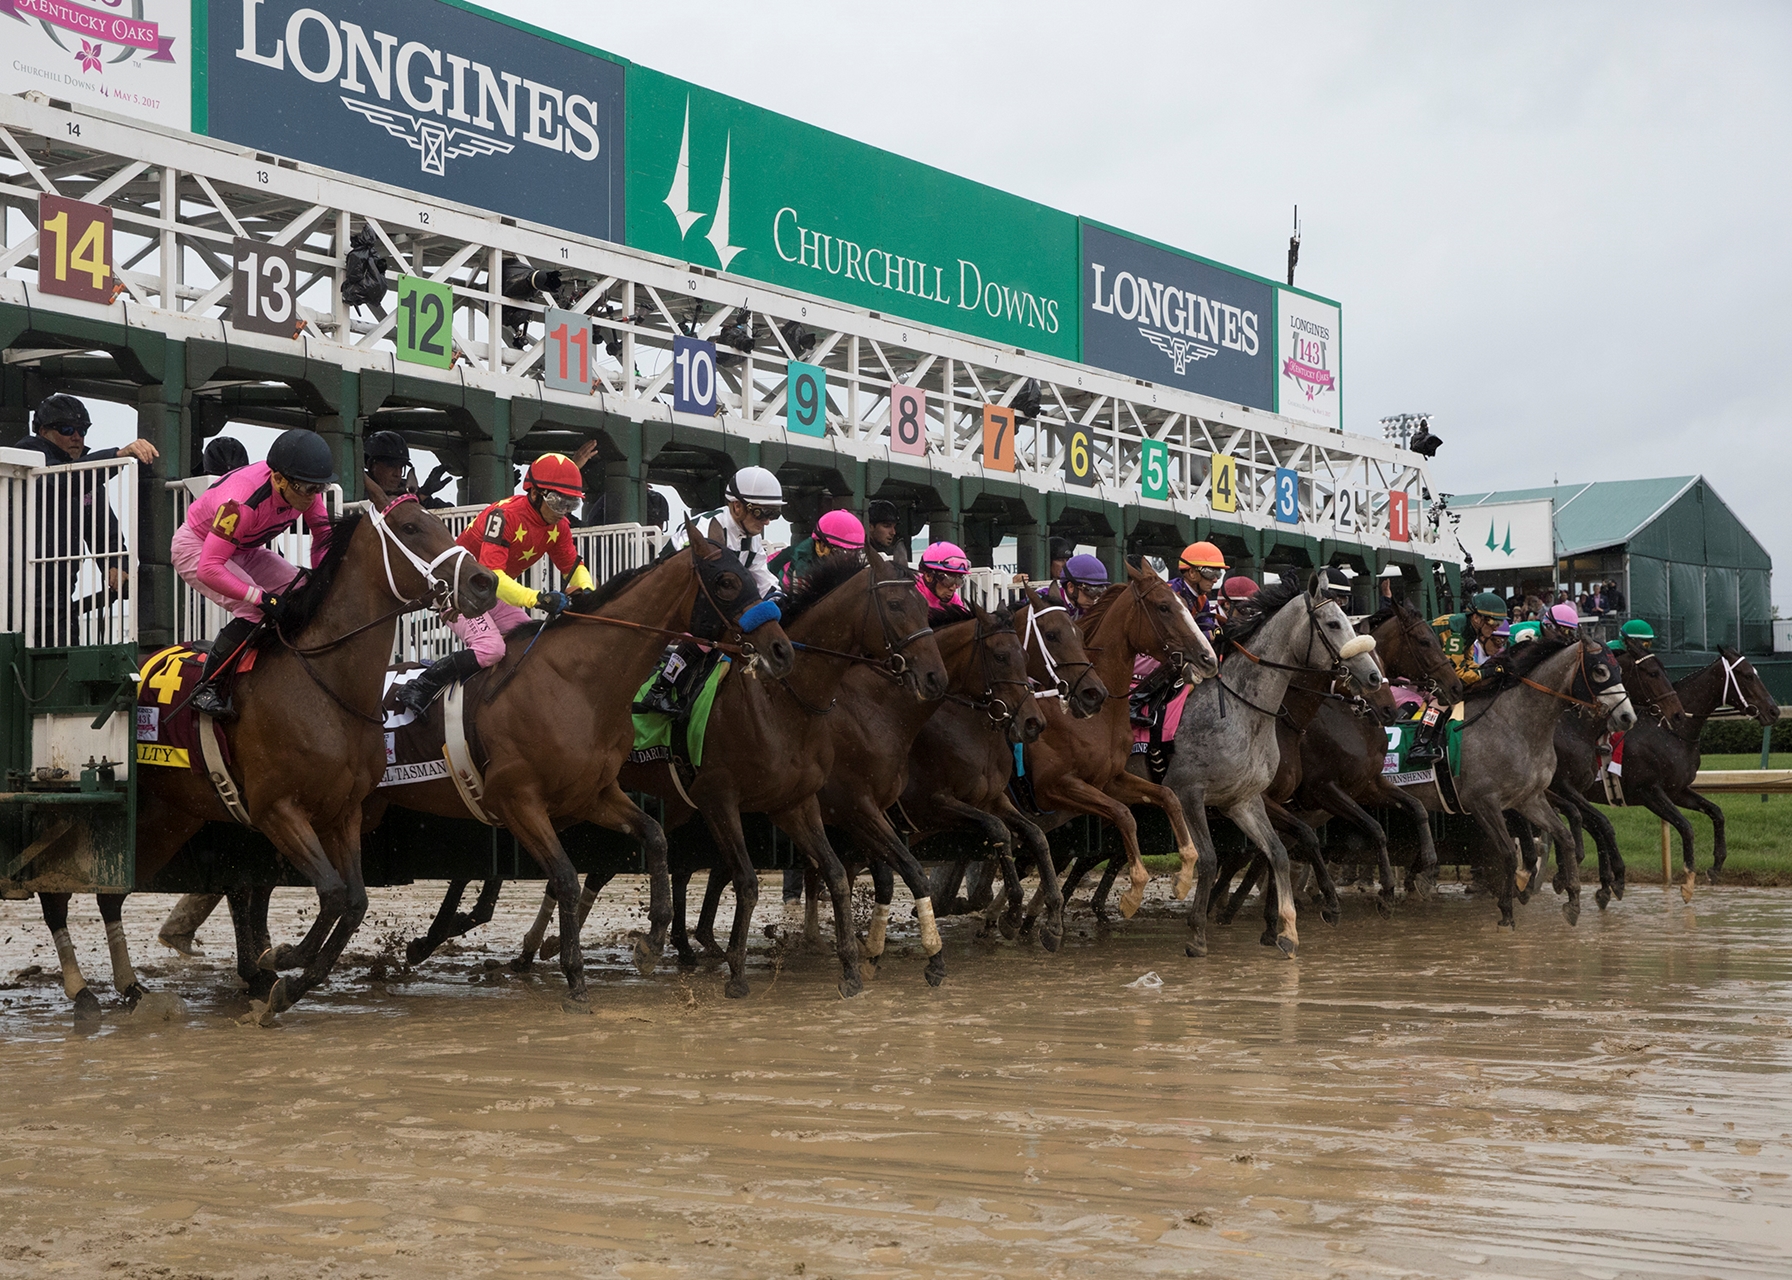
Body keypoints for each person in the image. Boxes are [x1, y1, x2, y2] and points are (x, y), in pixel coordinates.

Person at [395, 453, 594, 713]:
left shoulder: (560, 526)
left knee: (533, 642)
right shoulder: (504, 516)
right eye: (558, 503)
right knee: (491, 649)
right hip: (456, 592)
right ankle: (422, 684)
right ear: (534, 494)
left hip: (487, 592)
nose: (563, 512)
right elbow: (493, 573)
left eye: (571, 505)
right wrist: (537, 599)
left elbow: (574, 566)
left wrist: (588, 592)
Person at [178, 429, 337, 719]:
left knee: (302, 591)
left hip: (244, 548)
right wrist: (261, 598)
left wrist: (322, 581)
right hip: (198, 548)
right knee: (254, 608)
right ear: (278, 479)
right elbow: (210, 568)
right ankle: (205, 687)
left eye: (319, 488)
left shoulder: (303, 487)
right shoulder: (239, 504)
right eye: (306, 489)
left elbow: (322, 535)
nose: (313, 497)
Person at [1411, 590, 1508, 765]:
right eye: (1494, 622)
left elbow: (1467, 664)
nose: (1496, 627)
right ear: (1477, 618)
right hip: (1409, 668)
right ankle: (1418, 745)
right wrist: (1487, 673)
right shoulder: (1456, 630)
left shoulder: (1470, 630)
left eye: (1499, 622)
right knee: (1445, 696)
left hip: (1428, 666)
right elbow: (1458, 676)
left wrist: (1489, 670)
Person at [670, 466, 784, 599]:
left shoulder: (753, 538)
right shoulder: (702, 528)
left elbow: (764, 581)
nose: (767, 522)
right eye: (761, 514)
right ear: (737, 506)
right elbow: (689, 582)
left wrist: (778, 600)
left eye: (773, 515)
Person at [770, 509, 866, 594]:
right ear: (822, 545)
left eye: (855, 553)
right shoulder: (793, 563)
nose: (847, 559)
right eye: (842, 552)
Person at [1171, 541, 1227, 637]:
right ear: (1192, 573)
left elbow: (1208, 628)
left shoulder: (1203, 600)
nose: (1215, 580)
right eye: (1210, 573)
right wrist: (1206, 635)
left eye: (1218, 574)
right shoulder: (1172, 592)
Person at [914, 541, 971, 611]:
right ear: (928, 576)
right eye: (948, 580)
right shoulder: (911, 597)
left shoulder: (953, 599)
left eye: (959, 581)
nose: (953, 588)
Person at [1054, 553, 1110, 621]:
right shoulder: (1047, 602)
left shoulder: (1085, 608)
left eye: (1099, 593)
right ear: (1071, 587)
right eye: (1090, 592)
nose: (1093, 600)